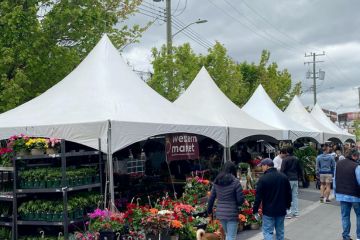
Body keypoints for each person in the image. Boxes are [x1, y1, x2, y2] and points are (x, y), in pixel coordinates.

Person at [253, 158, 292, 240]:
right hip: (281, 209)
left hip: (268, 210)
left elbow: (258, 196)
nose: (262, 168)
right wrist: (288, 206)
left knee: (268, 231)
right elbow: (288, 193)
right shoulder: (283, 177)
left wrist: (255, 210)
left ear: (266, 166)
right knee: (280, 231)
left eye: (262, 166)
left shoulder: (263, 179)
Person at [207, 161, 244, 240]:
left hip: (220, 213)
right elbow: (240, 200)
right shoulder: (235, 182)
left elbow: (211, 198)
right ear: (233, 170)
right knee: (231, 236)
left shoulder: (217, 181)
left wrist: (209, 210)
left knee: (228, 235)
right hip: (232, 213)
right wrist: (236, 204)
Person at [334, 148, 360, 240]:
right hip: (355, 196)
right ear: (354, 156)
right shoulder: (356, 166)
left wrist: (336, 193)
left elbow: (335, 181)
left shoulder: (338, 164)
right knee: (359, 215)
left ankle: (346, 236)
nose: (358, 158)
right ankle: (359, 237)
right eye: (358, 156)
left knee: (345, 216)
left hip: (342, 194)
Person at [280, 146, 303, 218]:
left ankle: (288, 212)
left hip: (287, 179)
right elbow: (300, 169)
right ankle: (296, 212)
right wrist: (300, 178)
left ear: (287, 152)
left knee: (287, 196)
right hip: (295, 179)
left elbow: (282, 171)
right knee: (295, 196)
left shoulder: (285, 160)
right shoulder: (296, 159)